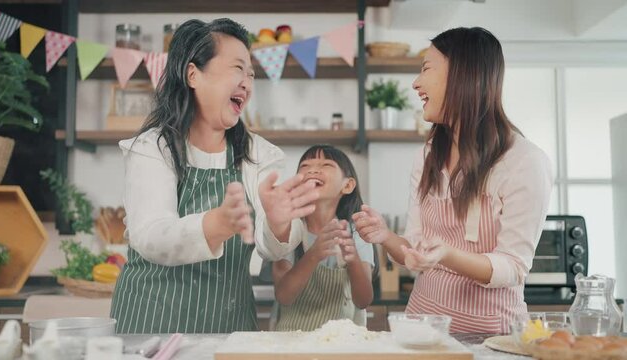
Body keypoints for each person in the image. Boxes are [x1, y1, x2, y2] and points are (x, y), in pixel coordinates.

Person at [110, 18, 319, 334]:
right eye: (237, 68)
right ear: (193, 74)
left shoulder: (260, 155)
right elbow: (151, 236)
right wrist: (215, 224)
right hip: (150, 324)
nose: (247, 81)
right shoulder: (153, 147)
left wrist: (278, 223)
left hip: (228, 329)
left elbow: (273, 249)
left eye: (251, 73)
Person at [352, 27, 553, 334]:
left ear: (463, 73)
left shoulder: (523, 161)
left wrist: (448, 255)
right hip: (420, 331)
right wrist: (386, 237)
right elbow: (414, 251)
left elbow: (513, 266)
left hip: (491, 339)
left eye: (426, 68)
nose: (416, 83)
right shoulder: (429, 155)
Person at [270, 145, 374, 331]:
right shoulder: (286, 228)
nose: (313, 169)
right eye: (305, 166)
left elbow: (364, 300)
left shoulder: (358, 232)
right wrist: (314, 254)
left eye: (326, 165)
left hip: (341, 343)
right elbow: (284, 296)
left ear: (347, 185)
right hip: (290, 343)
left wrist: (353, 260)